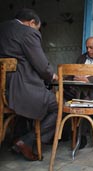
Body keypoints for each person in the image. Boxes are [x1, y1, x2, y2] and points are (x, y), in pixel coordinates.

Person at [0, 8, 58, 161]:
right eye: (37, 28)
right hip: (20, 88)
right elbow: (41, 65)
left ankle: (17, 137)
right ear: (32, 23)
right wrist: (52, 76)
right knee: (58, 105)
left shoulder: (3, 28)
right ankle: (26, 140)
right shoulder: (27, 31)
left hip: (3, 90)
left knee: (25, 108)